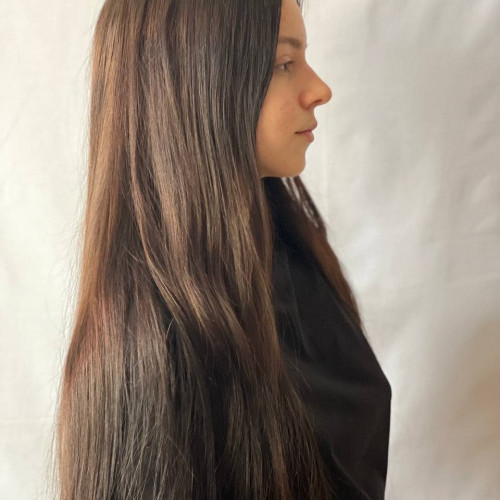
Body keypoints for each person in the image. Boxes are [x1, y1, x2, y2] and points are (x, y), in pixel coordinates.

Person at [54, 0, 392, 499]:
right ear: (197, 84)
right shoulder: (160, 351)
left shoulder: (289, 258)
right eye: (284, 63)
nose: (319, 89)